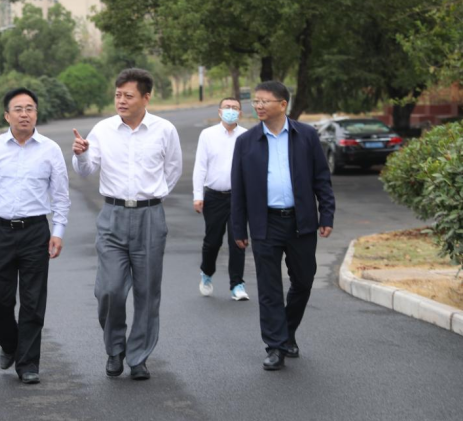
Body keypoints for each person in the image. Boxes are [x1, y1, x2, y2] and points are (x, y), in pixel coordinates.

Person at [72, 68, 182, 381]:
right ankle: (115, 348)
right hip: (112, 215)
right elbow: (85, 170)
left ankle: (138, 357)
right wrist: (81, 155)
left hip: (150, 217)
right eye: (118, 94)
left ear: (146, 98)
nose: (121, 100)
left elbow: (173, 170)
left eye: (128, 95)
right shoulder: (103, 129)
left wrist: (152, 197)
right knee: (109, 290)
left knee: (147, 292)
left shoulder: (164, 130)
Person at [0, 88, 71, 385]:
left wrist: (58, 231)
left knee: (33, 300)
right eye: (18, 109)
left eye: (30, 108)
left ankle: (28, 363)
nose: (24, 114)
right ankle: (10, 344)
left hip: (36, 231)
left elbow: (61, 196)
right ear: (7, 115)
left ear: (36, 113)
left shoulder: (50, 149)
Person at [231, 81, 335, 372]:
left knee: (303, 280)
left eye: (265, 101)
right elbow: (238, 189)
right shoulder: (246, 141)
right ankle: (275, 346)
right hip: (265, 223)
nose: (259, 106)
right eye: (256, 101)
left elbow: (322, 179)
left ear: (283, 104)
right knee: (269, 288)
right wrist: (238, 228)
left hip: (301, 222)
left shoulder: (306, 135)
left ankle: (287, 332)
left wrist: (326, 215)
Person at [193, 97, 249, 301]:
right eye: (227, 107)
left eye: (235, 108)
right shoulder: (208, 135)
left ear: (240, 113)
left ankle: (237, 284)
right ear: (219, 111)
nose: (231, 111)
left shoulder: (246, 136)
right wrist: (198, 195)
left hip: (238, 198)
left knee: (238, 240)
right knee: (213, 241)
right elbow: (200, 166)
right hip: (214, 196)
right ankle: (206, 273)